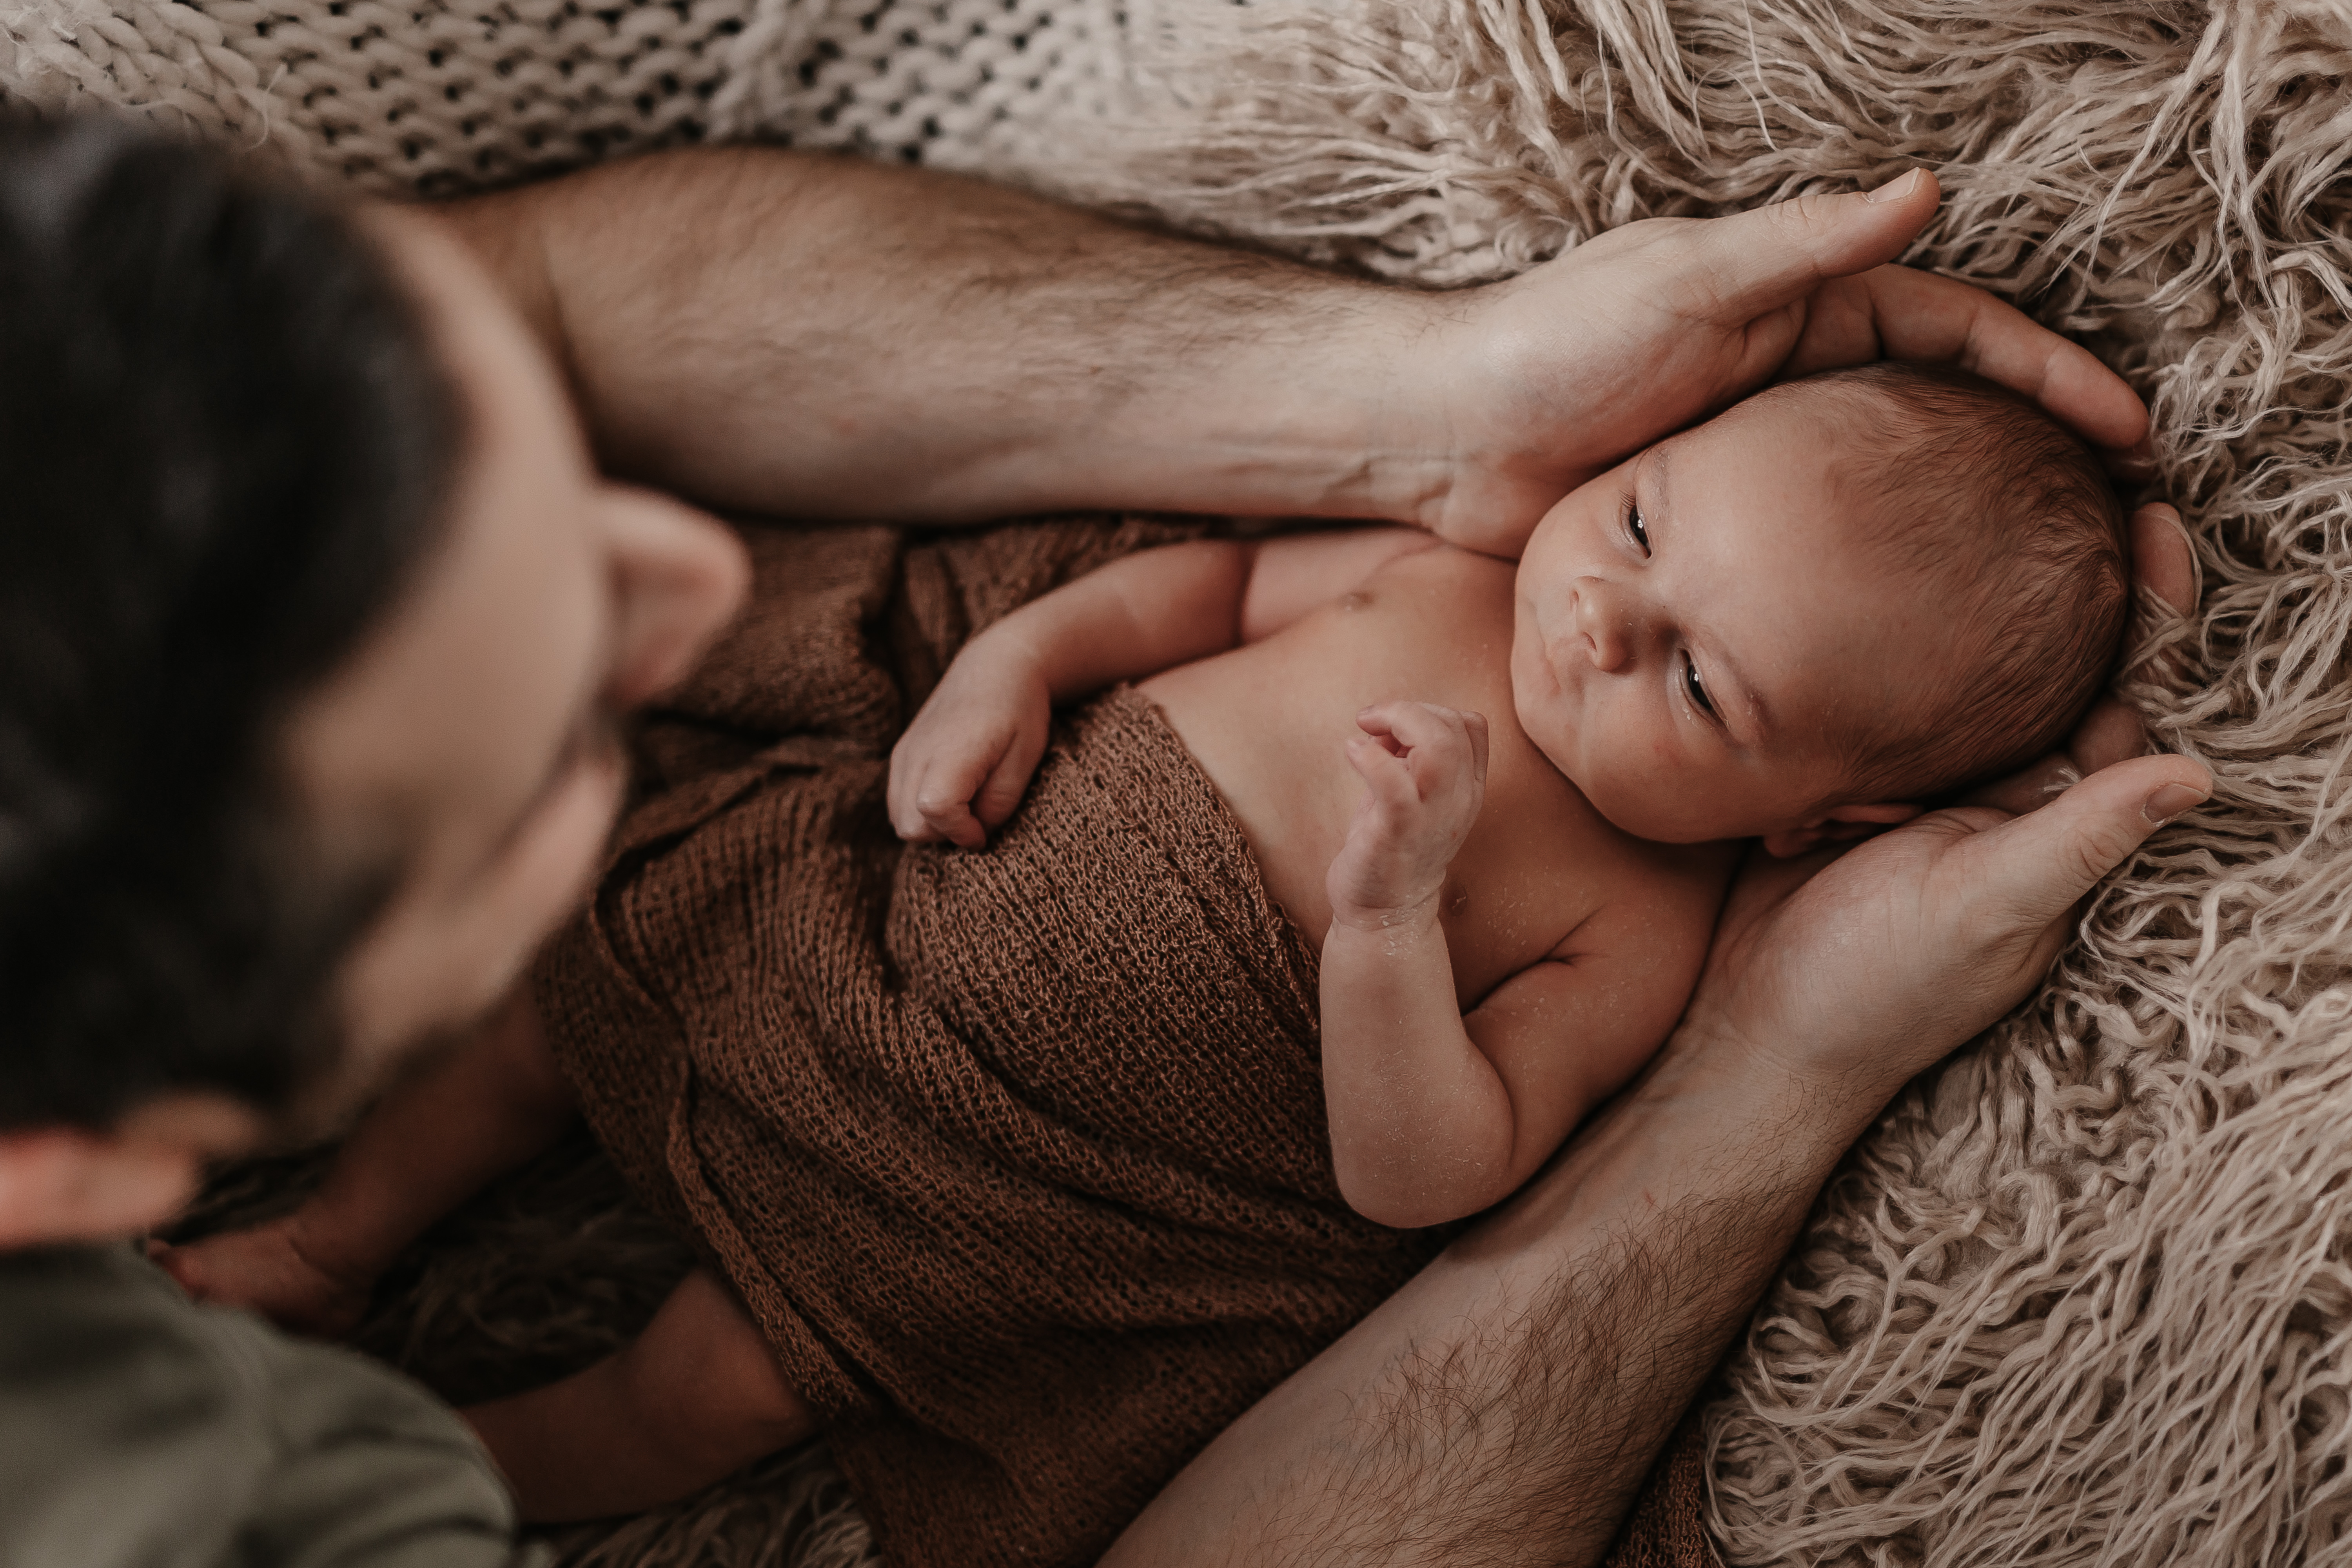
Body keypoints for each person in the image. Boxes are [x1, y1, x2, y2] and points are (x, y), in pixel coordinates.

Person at [0, 107, 2207, 1568]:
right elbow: (1181, 604)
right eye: (520, 737)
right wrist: (1779, 1074)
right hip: (887, 969)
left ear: (1832, 811)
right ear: (71, 1173)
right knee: (553, 1026)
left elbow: (1429, 1167)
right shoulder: (236, 1515)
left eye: (1704, 682)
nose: (687, 592)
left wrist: (1428, 402)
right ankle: (354, 1230)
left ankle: (475, 1392)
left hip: (1006, 1191)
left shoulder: (1621, 909)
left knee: (708, 1381)